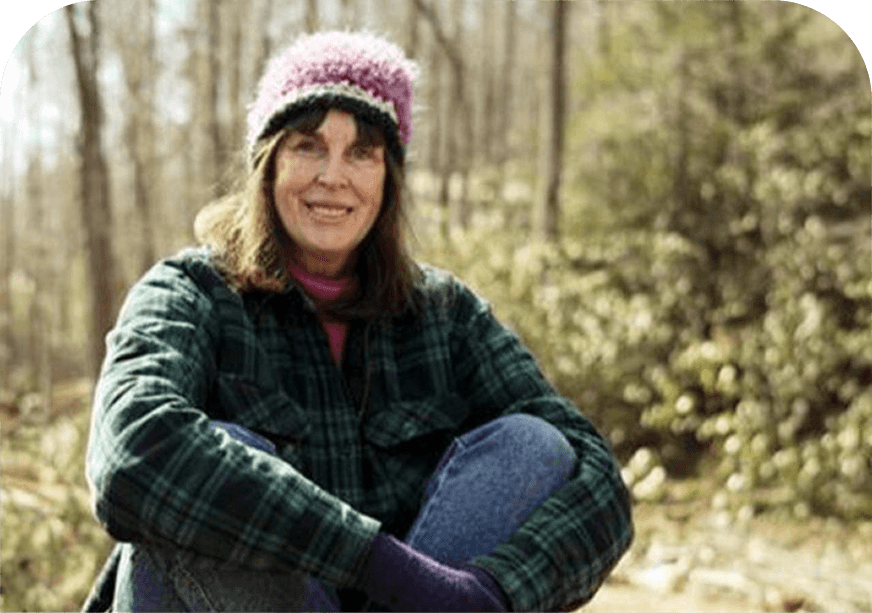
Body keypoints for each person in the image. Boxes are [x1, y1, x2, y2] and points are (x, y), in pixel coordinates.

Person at [82, 31, 633, 613]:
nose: (333, 176)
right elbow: (130, 452)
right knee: (208, 468)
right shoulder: (188, 292)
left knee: (534, 446)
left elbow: (598, 479)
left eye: (361, 152)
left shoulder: (448, 316)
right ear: (268, 165)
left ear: (387, 177)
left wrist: (492, 593)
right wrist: (383, 565)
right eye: (308, 146)